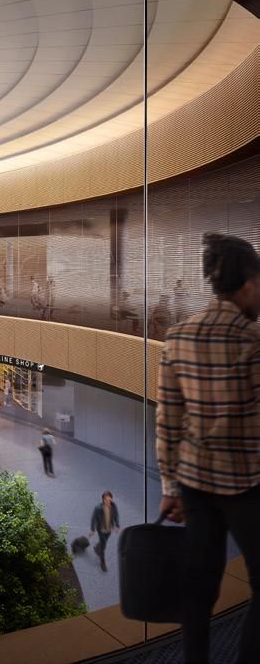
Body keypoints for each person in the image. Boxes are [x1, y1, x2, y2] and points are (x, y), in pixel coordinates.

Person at [156, 232, 260, 664]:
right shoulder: (253, 342)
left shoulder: (178, 338)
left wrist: (170, 487)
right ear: (249, 283)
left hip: (195, 483)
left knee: (199, 591)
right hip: (247, 485)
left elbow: (168, 419)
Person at [88, 491, 121, 572]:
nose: (108, 501)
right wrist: (92, 530)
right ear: (103, 499)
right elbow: (93, 518)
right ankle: (102, 562)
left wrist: (117, 525)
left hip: (109, 529)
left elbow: (116, 515)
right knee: (103, 547)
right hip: (101, 529)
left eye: (109, 499)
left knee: (104, 542)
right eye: (106, 499)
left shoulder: (113, 506)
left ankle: (97, 547)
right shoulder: (98, 508)